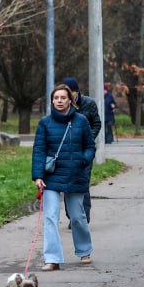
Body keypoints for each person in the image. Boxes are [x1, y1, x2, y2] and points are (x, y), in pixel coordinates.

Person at [33, 83, 95, 270]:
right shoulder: (45, 123)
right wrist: (37, 175)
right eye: (56, 98)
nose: (59, 101)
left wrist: (83, 160)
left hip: (75, 174)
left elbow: (90, 146)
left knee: (77, 216)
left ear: (70, 100)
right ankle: (52, 259)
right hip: (52, 176)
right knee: (50, 217)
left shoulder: (81, 121)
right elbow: (39, 150)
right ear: (52, 101)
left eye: (63, 98)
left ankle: (84, 251)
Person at [60, 77, 100, 223]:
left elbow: (97, 123)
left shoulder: (89, 104)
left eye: (71, 93)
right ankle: (71, 215)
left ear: (77, 92)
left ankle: (83, 216)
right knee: (67, 183)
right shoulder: (61, 104)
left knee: (82, 182)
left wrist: (89, 137)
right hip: (66, 152)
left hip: (84, 151)